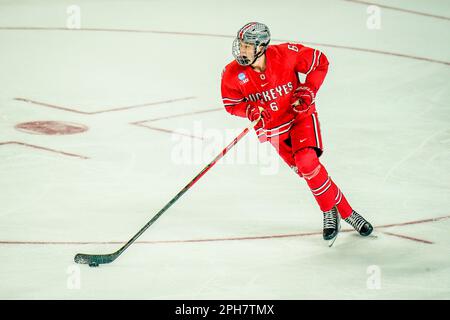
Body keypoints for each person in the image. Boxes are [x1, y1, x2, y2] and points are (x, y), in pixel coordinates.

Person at [221, 22, 373, 243]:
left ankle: (343, 214)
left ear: (262, 46)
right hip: (274, 132)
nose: (241, 50)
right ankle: (339, 211)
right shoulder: (232, 74)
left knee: (307, 162)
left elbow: (320, 62)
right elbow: (231, 103)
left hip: (299, 118)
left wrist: (309, 89)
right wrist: (250, 110)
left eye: (247, 46)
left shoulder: (286, 54)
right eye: (241, 45)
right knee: (309, 174)